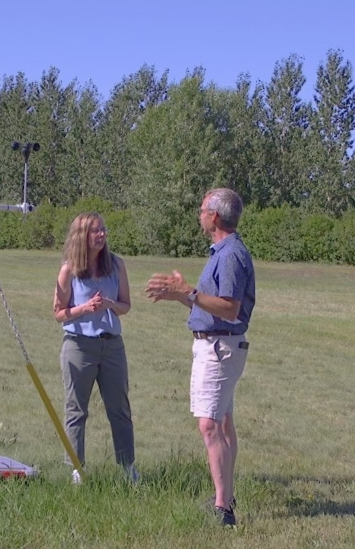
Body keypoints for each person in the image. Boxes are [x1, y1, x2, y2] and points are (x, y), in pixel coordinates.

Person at [145, 189, 255, 526]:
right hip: (218, 345)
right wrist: (181, 296)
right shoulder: (221, 252)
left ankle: (223, 509)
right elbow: (210, 306)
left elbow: (230, 308)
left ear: (215, 217)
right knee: (221, 422)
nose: (199, 212)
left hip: (219, 349)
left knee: (209, 425)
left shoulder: (231, 255)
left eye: (203, 208)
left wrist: (189, 293)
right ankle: (226, 496)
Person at [53, 212, 137, 483]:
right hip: (78, 347)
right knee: (76, 410)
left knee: (120, 409)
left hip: (112, 346)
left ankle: (127, 469)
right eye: (95, 232)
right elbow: (58, 313)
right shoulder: (68, 270)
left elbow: (126, 305)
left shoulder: (116, 265)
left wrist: (111, 304)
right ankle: (76, 469)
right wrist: (85, 308)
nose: (101, 236)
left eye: (103, 230)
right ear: (82, 237)